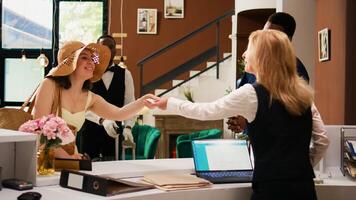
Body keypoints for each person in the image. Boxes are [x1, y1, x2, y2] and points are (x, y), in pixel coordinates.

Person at [151, 30, 329, 199]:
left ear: (262, 57)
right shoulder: (304, 94)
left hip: (271, 191)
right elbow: (322, 141)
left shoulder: (251, 93)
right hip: (304, 188)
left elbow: (206, 111)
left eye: (249, 49)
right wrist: (299, 167)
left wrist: (170, 103)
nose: (244, 55)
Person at [33, 41, 157, 159]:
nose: (91, 62)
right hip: (46, 160)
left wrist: (142, 102)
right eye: (84, 57)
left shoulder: (90, 98)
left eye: (93, 59)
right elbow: (39, 128)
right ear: (70, 62)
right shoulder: (49, 85)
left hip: (72, 160)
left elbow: (119, 114)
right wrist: (66, 157)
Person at [229, 12, 310, 134]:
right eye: (264, 32)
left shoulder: (296, 70)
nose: (264, 37)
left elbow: (286, 116)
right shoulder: (255, 65)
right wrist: (238, 117)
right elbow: (243, 98)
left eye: (271, 34)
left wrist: (248, 122)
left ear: (286, 40)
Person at [79, 35, 136, 160]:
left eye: (111, 47)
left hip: (114, 134)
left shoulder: (125, 74)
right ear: (97, 50)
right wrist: (102, 120)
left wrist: (128, 127)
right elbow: (81, 105)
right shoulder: (87, 72)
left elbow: (130, 103)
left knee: (111, 172)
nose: (107, 50)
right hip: (89, 132)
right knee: (87, 172)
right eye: (103, 47)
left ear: (115, 50)